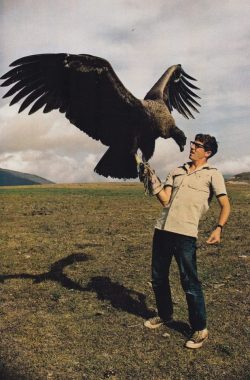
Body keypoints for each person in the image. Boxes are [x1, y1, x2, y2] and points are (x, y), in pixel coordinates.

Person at [139, 133, 231, 349]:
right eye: (192, 143)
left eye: (197, 146)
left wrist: (219, 228)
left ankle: (200, 329)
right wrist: (152, 179)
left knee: (189, 282)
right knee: (158, 277)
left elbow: (225, 205)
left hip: (186, 234)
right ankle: (165, 315)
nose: (192, 148)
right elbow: (165, 200)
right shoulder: (177, 171)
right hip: (162, 230)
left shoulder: (213, 175)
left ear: (207, 152)